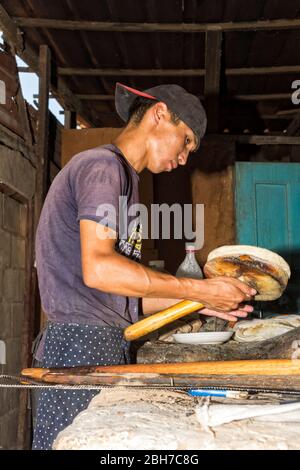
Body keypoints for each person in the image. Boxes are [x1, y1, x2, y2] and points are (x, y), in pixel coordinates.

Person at [32, 82, 255, 449]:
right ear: (159, 114)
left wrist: (201, 303)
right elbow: (101, 269)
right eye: (185, 141)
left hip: (100, 341)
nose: (184, 158)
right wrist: (198, 288)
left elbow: (124, 299)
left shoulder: (125, 180)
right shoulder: (103, 167)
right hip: (80, 345)